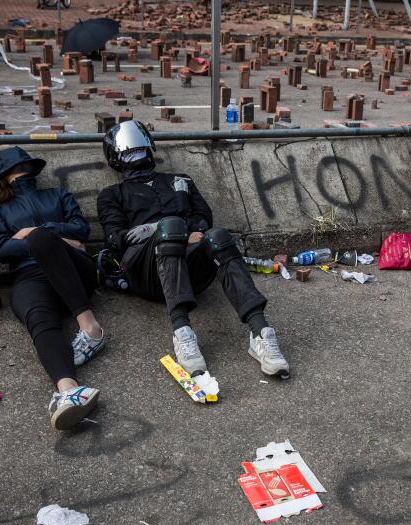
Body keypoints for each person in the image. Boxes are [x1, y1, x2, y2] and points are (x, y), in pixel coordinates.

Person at [96, 120, 290, 378]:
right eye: (129, 153)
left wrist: (182, 230)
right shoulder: (112, 194)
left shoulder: (180, 181)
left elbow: (203, 218)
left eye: (140, 150)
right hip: (146, 273)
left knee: (218, 237)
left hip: (191, 270)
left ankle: (260, 332)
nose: (137, 157)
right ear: (117, 160)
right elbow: (114, 238)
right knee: (170, 226)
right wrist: (156, 229)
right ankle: (182, 332)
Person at [0, 147, 106, 430]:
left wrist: (40, 235)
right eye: (20, 170)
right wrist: (59, 238)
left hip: (75, 271)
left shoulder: (57, 194)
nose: (25, 174)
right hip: (30, 276)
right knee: (38, 317)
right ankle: (69, 390)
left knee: (40, 239)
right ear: (6, 177)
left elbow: (81, 229)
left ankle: (91, 328)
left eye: (27, 168)